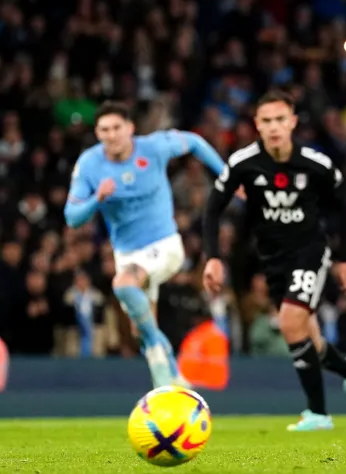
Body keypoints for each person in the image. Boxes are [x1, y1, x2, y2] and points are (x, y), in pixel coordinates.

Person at [201, 91, 346, 432]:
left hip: (309, 252)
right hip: (272, 259)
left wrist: (344, 259)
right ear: (257, 125)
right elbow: (212, 209)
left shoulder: (316, 164)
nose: (274, 127)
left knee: (290, 323)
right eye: (267, 121)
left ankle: (318, 414)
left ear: (293, 122)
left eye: (281, 120)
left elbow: (342, 209)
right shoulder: (243, 163)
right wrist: (213, 258)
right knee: (313, 343)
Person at [64, 101, 226, 389]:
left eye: (116, 128)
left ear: (130, 129)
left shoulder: (153, 148)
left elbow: (195, 142)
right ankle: (170, 387)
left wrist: (226, 176)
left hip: (164, 244)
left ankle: (168, 365)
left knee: (123, 284)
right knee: (141, 330)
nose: (111, 135)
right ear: (97, 133)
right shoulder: (90, 164)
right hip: (127, 252)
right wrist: (96, 199)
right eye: (104, 129)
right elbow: (72, 217)